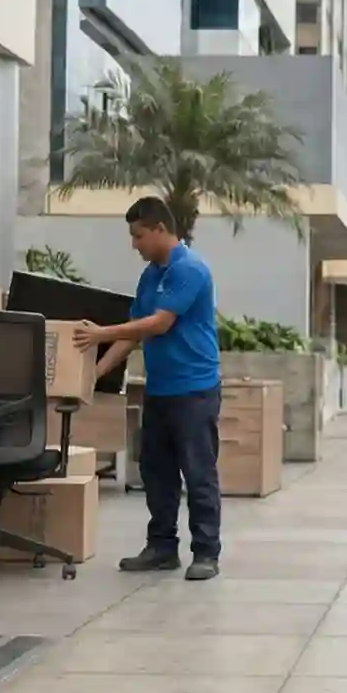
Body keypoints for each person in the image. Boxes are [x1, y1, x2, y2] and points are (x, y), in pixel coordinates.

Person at [79, 197, 223, 581]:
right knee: (156, 471)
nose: (134, 244)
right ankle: (161, 547)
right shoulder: (150, 276)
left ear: (160, 230)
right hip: (160, 390)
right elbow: (133, 335)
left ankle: (206, 552)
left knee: (198, 471)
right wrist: (94, 373)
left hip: (194, 390)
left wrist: (100, 332)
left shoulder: (189, 270)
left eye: (138, 235)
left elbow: (157, 324)